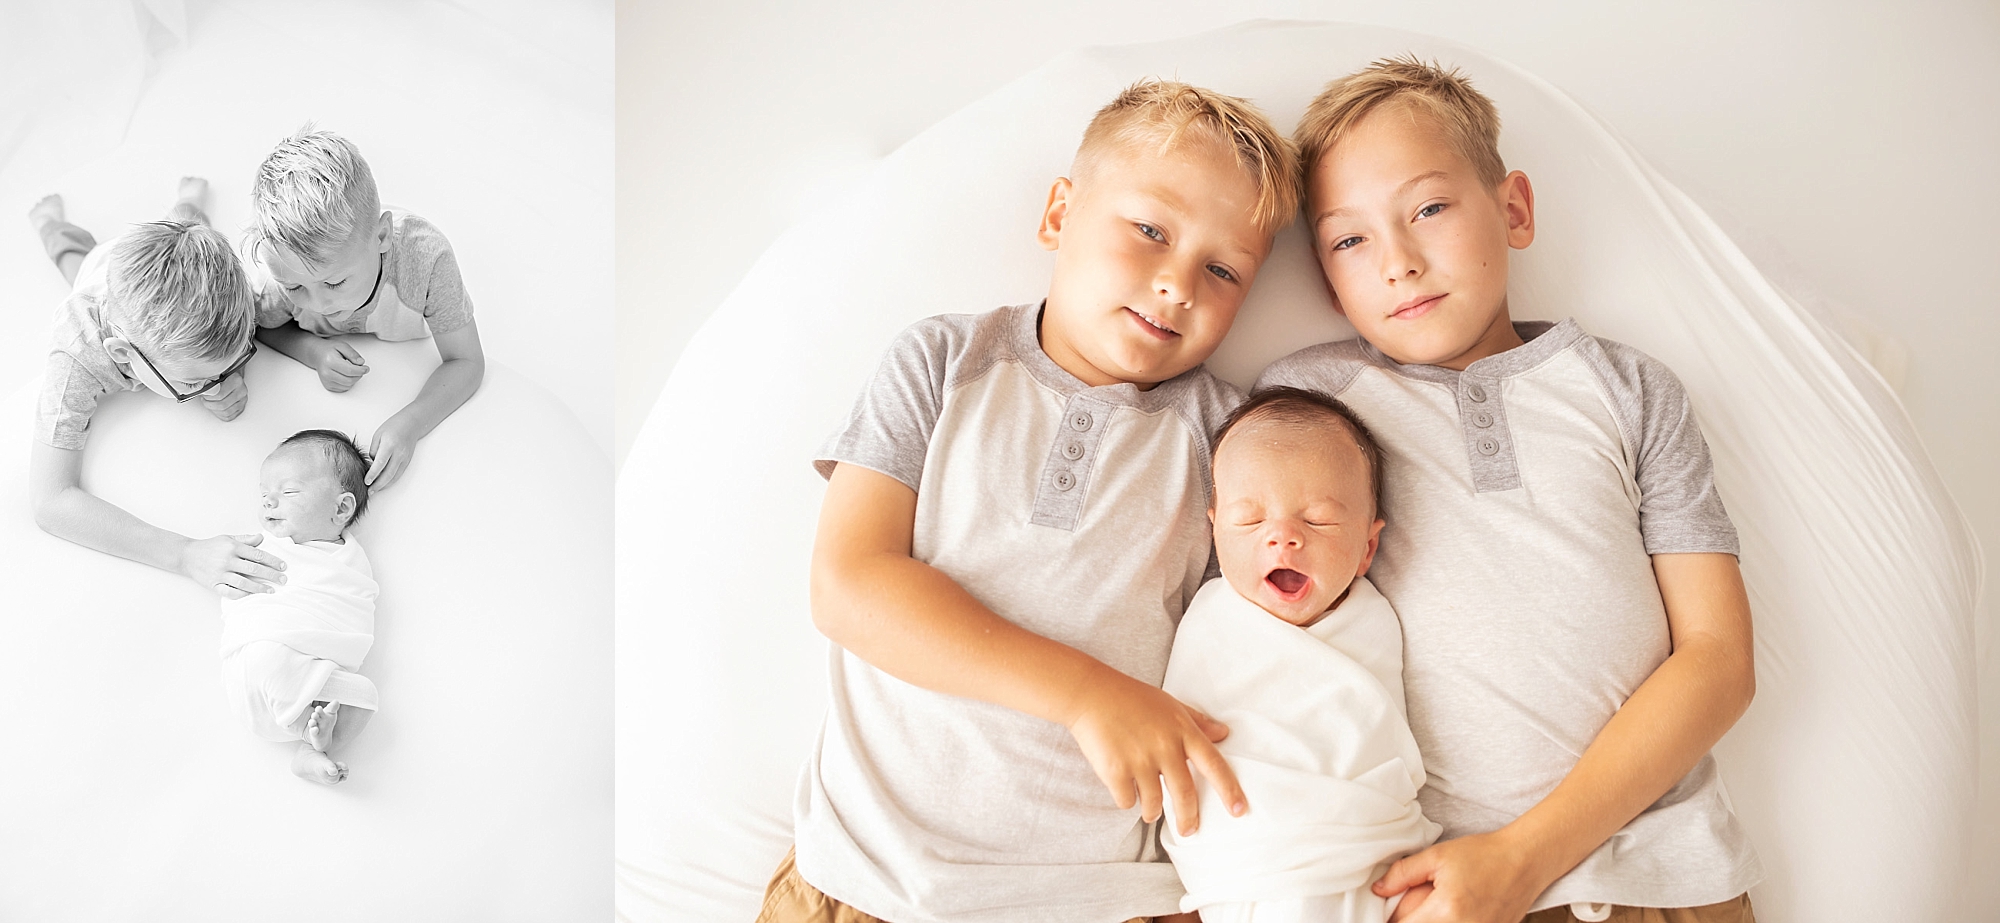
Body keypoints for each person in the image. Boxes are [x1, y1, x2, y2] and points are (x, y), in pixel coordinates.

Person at [759, 79, 1301, 923]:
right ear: (1060, 213)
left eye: (1222, 269)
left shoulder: (1227, 437)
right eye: (1150, 230)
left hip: (1103, 896)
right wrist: (1087, 694)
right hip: (867, 880)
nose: (1177, 284)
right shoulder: (941, 361)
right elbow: (849, 586)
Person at [1258, 56, 1760, 923]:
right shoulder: (1311, 404)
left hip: (1664, 878)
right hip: (1432, 888)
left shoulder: (1628, 388)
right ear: (1324, 279)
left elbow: (1719, 659)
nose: (1400, 261)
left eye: (1429, 209)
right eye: (1350, 239)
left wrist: (1524, 857)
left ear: (1515, 208)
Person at [1159, 387, 1438, 923]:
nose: (1283, 538)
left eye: (1319, 521)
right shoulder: (1209, 620)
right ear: (1214, 533)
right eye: (1249, 521)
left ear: (1367, 549)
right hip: (1238, 873)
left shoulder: (1376, 618)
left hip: (1373, 861)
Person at [26, 179, 283, 598]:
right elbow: (50, 501)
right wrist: (184, 554)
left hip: (161, 250)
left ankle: (186, 203)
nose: (211, 388)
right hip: (97, 268)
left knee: (188, 220)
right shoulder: (76, 357)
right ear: (124, 356)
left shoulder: (228, 296)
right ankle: (51, 224)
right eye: (193, 383)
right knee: (75, 257)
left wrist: (233, 372)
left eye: (226, 367)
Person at [244, 128, 485, 492]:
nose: (320, 305)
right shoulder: (281, 274)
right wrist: (313, 350)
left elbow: (467, 361)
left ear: (382, 237)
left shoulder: (427, 260)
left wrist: (411, 423)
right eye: (296, 289)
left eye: (335, 283)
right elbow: (259, 325)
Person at [220, 429, 380, 785]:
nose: (269, 503)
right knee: (270, 656)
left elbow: (352, 610)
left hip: (307, 677)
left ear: (341, 508)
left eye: (288, 492)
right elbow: (231, 583)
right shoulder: (262, 545)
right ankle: (307, 728)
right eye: (265, 495)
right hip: (256, 666)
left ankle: (312, 747)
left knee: (365, 694)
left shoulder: (351, 564)